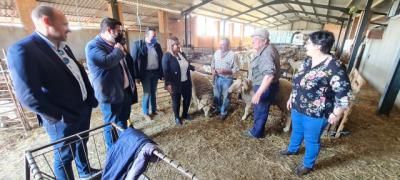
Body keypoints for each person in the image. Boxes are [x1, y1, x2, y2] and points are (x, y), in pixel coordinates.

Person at [7, 6, 99, 179]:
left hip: (82, 109)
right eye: (64, 24)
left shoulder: (62, 46)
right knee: (64, 156)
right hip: (63, 119)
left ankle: (85, 172)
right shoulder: (24, 49)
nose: (69, 28)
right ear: (47, 21)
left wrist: (89, 99)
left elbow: (77, 72)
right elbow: (28, 96)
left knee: (81, 143)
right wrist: (60, 116)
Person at [280, 30, 352, 176]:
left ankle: (308, 164)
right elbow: (298, 82)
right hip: (298, 105)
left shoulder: (335, 66)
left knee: (311, 139)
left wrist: (336, 113)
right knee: (297, 130)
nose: (306, 45)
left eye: (309, 43)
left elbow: (344, 94)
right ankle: (292, 149)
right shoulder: (308, 61)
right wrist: (291, 97)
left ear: (319, 46)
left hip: (317, 112)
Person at [85, 17, 138, 151]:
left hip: (123, 91)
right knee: (111, 124)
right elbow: (106, 61)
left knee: (124, 119)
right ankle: (112, 150)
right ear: (109, 30)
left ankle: (124, 145)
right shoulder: (93, 46)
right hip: (110, 94)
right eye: (118, 31)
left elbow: (127, 62)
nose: (120, 33)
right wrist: (119, 49)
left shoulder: (114, 44)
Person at [243, 29, 280, 138]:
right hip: (264, 85)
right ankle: (257, 130)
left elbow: (269, 75)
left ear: (264, 41)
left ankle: (256, 133)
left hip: (264, 87)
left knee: (260, 110)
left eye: (255, 40)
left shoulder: (266, 53)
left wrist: (258, 93)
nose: (252, 42)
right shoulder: (268, 49)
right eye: (252, 40)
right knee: (260, 109)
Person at [130, 27, 163, 120]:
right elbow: (134, 62)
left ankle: (154, 110)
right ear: (146, 35)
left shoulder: (157, 45)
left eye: (155, 36)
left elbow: (161, 59)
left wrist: (162, 73)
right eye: (153, 36)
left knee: (153, 92)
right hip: (145, 73)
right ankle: (145, 112)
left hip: (155, 72)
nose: (155, 38)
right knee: (147, 93)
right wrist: (136, 76)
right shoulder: (138, 45)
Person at [162, 36, 195, 125]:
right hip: (175, 83)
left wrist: (194, 68)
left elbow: (186, 64)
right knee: (176, 101)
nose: (178, 46)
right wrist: (168, 84)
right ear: (171, 45)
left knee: (187, 99)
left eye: (178, 43)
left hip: (186, 81)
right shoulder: (167, 56)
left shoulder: (181, 54)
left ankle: (185, 114)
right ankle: (177, 117)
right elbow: (166, 72)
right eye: (176, 44)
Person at [211, 38, 240, 120]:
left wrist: (227, 71)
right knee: (217, 95)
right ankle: (218, 108)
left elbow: (237, 68)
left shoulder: (233, 55)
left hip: (227, 79)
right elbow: (212, 63)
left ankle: (223, 112)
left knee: (226, 96)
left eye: (223, 44)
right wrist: (212, 69)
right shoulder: (216, 53)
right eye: (220, 44)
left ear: (228, 45)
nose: (221, 46)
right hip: (217, 77)